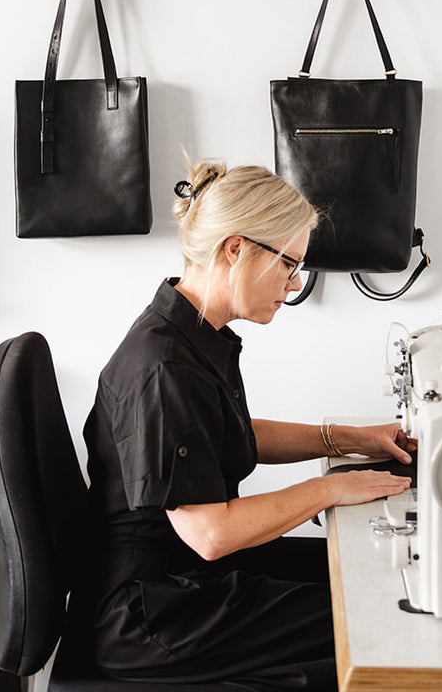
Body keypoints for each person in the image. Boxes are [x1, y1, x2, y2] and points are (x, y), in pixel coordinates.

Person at [80, 160, 416, 690]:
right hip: (154, 613)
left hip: (182, 576)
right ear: (235, 249)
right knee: (379, 616)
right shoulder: (163, 366)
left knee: (362, 577)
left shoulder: (192, 332)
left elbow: (231, 433)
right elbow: (212, 535)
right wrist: (329, 489)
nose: (295, 282)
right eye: (289, 265)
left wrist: (348, 439)